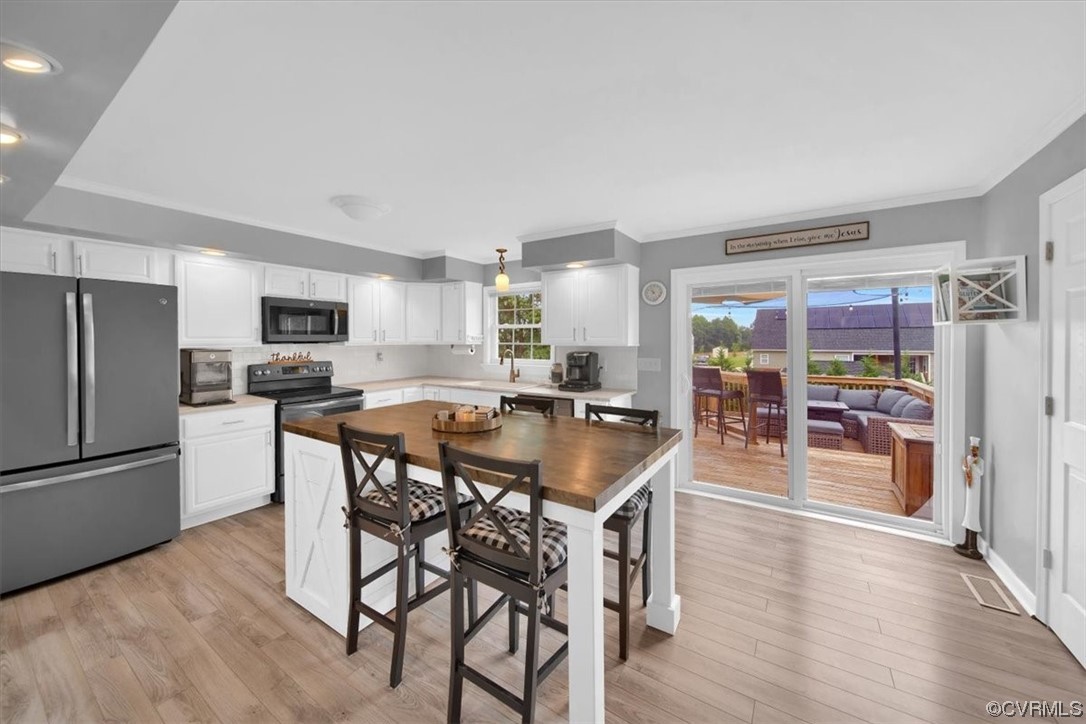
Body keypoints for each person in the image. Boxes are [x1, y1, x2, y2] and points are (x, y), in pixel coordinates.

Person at [954, 436, 984, 559]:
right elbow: (964, 467)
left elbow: (981, 472)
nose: (973, 451)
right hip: (969, 486)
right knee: (968, 513)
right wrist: (967, 467)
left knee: (973, 514)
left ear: (978, 449)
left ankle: (973, 546)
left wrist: (973, 466)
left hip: (976, 488)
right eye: (972, 449)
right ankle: (967, 542)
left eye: (975, 449)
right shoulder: (968, 458)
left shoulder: (980, 461)